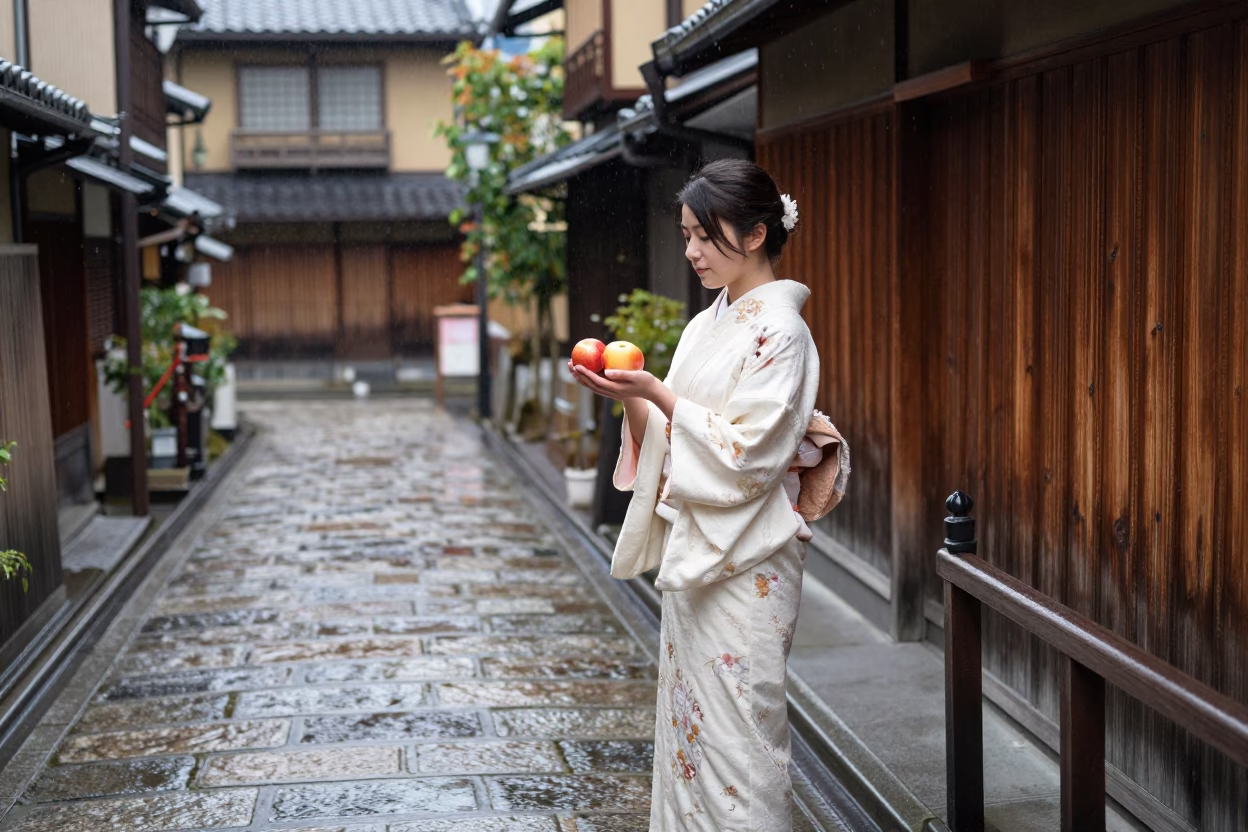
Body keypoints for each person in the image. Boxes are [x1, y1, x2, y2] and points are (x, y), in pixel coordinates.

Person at [569, 158, 849, 830]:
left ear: (754, 235)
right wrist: (630, 401)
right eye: (687, 234)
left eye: (703, 235)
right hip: (701, 551)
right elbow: (669, 437)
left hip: (748, 558)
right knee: (691, 733)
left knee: (742, 744)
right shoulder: (705, 325)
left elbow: (750, 455)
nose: (691, 250)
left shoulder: (782, 332)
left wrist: (657, 393)